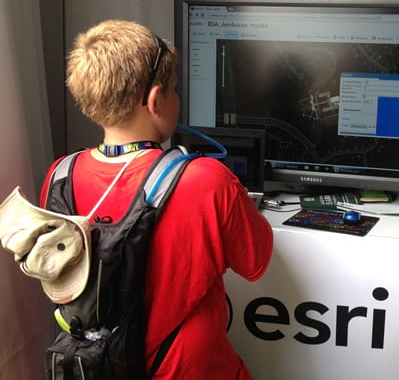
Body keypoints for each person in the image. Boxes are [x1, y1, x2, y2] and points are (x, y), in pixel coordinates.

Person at [39, 19, 273, 379]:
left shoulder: (60, 176)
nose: (177, 99)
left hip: (96, 367)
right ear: (154, 100)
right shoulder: (206, 179)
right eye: (175, 89)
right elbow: (255, 262)